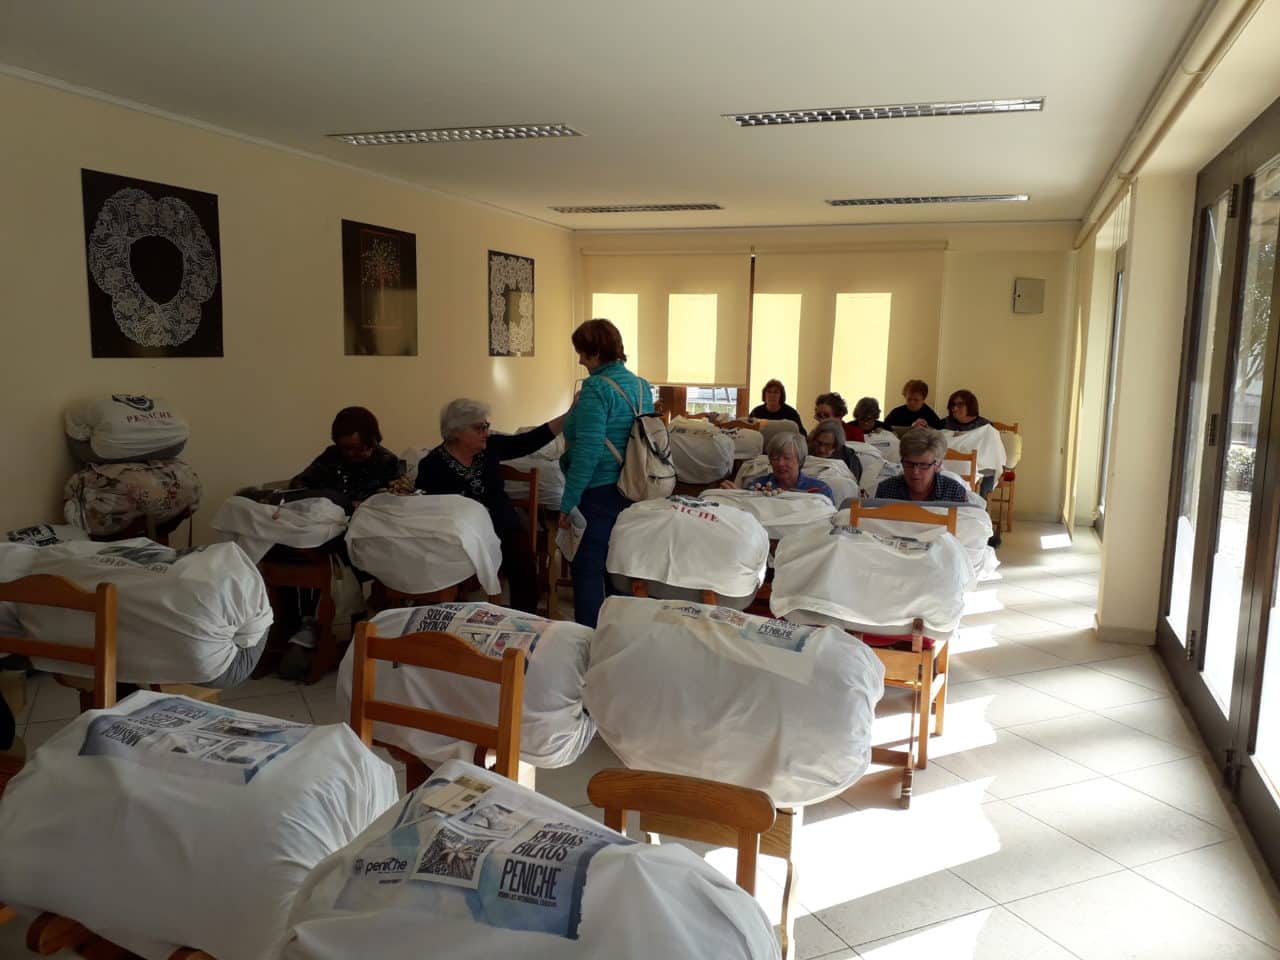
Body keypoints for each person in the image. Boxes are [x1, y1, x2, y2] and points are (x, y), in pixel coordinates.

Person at [416, 399, 567, 614]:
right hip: (459, 535)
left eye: (486, 426)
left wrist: (566, 417)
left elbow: (528, 441)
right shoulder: (432, 465)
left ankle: (524, 619)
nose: (486, 432)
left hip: (501, 524)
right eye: (479, 428)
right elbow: (428, 508)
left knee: (523, 558)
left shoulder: (491, 448)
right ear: (456, 431)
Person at [557, 318, 653, 628]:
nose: (580, 360)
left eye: (582, 353)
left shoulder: (596, 388)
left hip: (599, 493)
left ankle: (584, 643)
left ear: (596, 352)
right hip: (635, 490)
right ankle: (617, 636)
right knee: (620, 570)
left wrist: (568, 501)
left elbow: (589, 451)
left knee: (587, 570)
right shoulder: (642, 386)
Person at [291, 406, 406, 508]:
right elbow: (298, 484)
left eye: (358, 449)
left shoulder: (387, 461)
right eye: (345, 448)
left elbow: (397, 500)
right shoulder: (332, 455)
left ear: (372, 442)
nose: (350, 454)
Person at [722, 432, 835, 503]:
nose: (780, 463)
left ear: (800, 460)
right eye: (775, 458)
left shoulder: (820, 490)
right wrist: (735, 497)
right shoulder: (757, 486)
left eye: (787, 458)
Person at [875, 427, 970, 502]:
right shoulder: (886, 490)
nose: (915, 472)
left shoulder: (954, 492)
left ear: (938, 465)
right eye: (909, 463)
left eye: (924, 465)